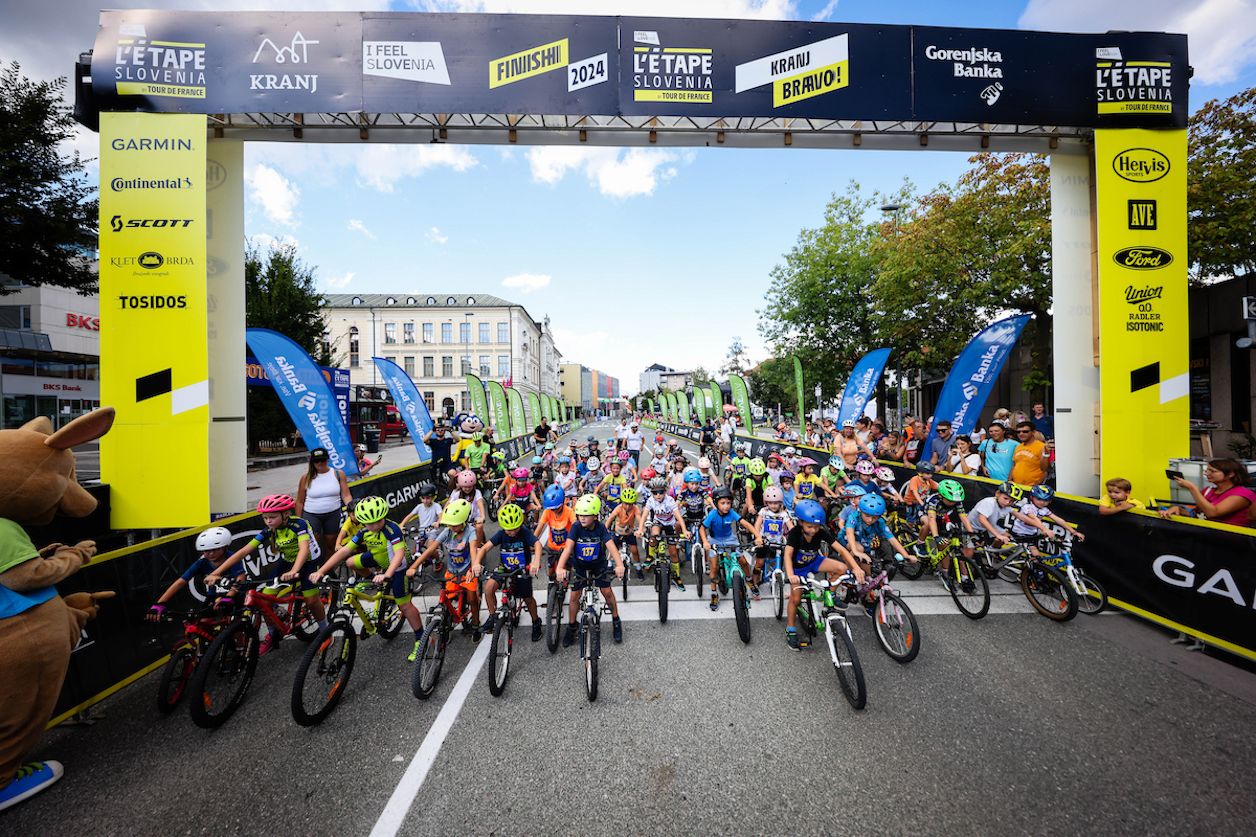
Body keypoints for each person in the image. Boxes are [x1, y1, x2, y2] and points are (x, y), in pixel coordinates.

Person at [205, 495, 327, 654]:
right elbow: (244, 551)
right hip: (288, 562)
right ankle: (272, 634)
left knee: (311, 600)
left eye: (272, 517)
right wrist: (216, 572)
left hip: (309, 561)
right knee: (265, 600)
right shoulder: (269, 530)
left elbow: (304, 549)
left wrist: (294, 571)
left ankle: (325, 631)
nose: (268, 521)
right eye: (265, 518)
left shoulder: (299, 525)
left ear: (286, 514)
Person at [309, 496, 425, 659]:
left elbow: (399, 554)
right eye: (369, 523)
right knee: (350, 562)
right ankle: (371, 578)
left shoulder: (392, 529)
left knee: (404, 605)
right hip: (378, 558)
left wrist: (387, 574)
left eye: (379, 521)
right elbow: (343, 551)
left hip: (398, 567)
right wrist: (321, 571)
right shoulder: (364, 531)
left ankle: (420, 638)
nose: (375, 525)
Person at [783, 499, 858, 650]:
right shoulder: (795, 533)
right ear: (800, 522)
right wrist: (791, 575)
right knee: (796, 600)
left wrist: (856, 567)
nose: (814, 530)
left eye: (816, 526)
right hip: (797, 569)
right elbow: (787, 555)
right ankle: (790, 629)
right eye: (810, 526)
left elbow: (842, 550)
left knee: (842, 568)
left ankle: (829, 594)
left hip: (814, 561)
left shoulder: (821, 532)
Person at [556, 495, 626, 646]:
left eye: (586, 515)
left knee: (607, 592)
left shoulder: (600, 528)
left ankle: (616, 620)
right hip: (580, 564)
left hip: (598, 563)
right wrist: (560, 567)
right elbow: (568, 548)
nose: (582, 518)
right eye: (580, 514)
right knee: (574, 596)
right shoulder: (576, 527)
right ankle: (572, 626)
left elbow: (611, 546)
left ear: (595, 516)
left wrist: (619, 564)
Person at [408, 498, 482, 637]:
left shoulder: (470, 532)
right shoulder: (447, 532)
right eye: (450, 524)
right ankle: (446, 623)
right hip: (452, 572)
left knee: (472, 599)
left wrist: (475, 566)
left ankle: (476, 624)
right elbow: (430, 550)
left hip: (468, 571)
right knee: (445, 599)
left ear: (465, 521)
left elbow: (473, 548)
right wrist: (414, 566)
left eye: (456, 524)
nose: (452, 527)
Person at [474, 504, 542, 642]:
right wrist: (476, 562)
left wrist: (535, 562)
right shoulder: (501, 534)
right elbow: (484, 548)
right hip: (504, 567)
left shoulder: (524, 532)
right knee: (488, 588)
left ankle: (536, 622)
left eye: (515, 528)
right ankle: (492, 616)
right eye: (508, 529)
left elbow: (538, 544)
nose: (511, 532)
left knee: (528, 598)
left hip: (521, 569)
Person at [146, 527, 242, 621]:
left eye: (216, 549)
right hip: (215, 594)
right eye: (207, 550)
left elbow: (241, 578)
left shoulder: (233, 558)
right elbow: (180, 582)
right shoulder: (201, 563)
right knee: (203, 622)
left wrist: (229, 596)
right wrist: (160, 603)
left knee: (233, 620)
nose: (211, 553)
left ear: (226, 547)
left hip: (236, 593)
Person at [843, 493, 916, 613]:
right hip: (848, 545)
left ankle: (866, 597)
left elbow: (892, 539)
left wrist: (906, 555)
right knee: (859, 550)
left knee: (868, 577)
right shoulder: (853, 517)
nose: (871, 520)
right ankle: (848, 574)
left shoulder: (880, 522)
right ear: (860, 510)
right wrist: (856, 551)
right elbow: (850, 533)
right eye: (867, 516)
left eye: (875, 517)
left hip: (864, 548)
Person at [700, 487, 758, 609]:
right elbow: (702, 528)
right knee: (714, 566)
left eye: (728, 503)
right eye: (722, 503)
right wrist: (705, 541)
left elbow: (745, 523)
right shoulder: (712, 514)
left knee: (742, 561)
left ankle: (749, 580)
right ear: (716, 504)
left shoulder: (731, 512)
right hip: (714, 540)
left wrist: (758, 536)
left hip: (729, 539)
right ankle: (714, 593)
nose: (726, 506)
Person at [295, 446, 352, 564]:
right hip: (311, 515)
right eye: (316, 461)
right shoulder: (306, 478)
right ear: (312, 462)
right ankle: (313, 570)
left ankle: (328, 570)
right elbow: (300, 501)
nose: (320, 463)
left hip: (333, 514)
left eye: (322, 460)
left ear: (327, 460)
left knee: (330, 544)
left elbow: (346, 495)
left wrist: (352, 509)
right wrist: (298, 521)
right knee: (313, 545)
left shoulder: (338, 474)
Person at [1160, 459, 1256, 526]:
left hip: (1230, 543)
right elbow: (1200, 513)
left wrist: (1192, 488)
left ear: (1230, 474)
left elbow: (1212, 513)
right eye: (1207, 470)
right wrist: (1179, 510)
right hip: (1205, 539)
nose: (1206, 474)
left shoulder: (1243, 494)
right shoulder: (1208, 490)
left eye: (1212, 471)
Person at [920, 480, 976, 588]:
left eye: (954, 501)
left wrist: (972, 535)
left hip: (940, 518)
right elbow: (932, 519)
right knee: (927, 523)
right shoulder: (934, 500)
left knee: (944, 546)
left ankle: (945, 573)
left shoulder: (956, 501)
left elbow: (964, 518)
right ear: (941, 495)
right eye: (949, 501)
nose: (952, 503)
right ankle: (920, 543)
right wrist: (936, 536)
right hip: (926, 516)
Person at [638, 475, 689, 592]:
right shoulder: (651, 500)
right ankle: (650, 556)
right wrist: (640, 529)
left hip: (670, 524)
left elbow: (678, 516)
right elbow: (644, 515)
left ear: (665, 491)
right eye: (655, 493)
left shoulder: (670, 500)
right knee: (654, 535)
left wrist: (685, 530)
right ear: (651, 492)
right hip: (659, 522)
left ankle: (676, 576)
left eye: (661, 492)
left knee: (673, 554)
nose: (658, 495)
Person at [1011, 485, 1086, 554]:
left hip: (1031, 535)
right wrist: (1045, 529)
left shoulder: (1045, 510)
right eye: (1038, 499)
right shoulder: (1027, 507)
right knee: (1035, 558)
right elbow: (1034, 518)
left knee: (1033, 560)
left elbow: (1058, 519)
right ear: (1032, 497)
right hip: (1019, 534)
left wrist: (1073, 532)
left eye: (1045, 500)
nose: (1041, 502)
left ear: (1050, 501)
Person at [605, 486, 645, 578]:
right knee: (614, 548)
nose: (627, 506)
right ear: (622, 502)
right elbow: (611, 518)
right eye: (625, 503)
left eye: (630, 504)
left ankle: (638, 568)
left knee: (635, 551)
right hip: (618, 532)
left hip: (630, 533)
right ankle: (609, 565)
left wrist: (641, 529)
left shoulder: (635, 509)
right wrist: (606, 528)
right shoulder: (619, 508)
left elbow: (639, 518)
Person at [1010, 421, 1052, 486]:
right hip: (1016, 486)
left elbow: (1044, 470)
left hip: (1032, 487)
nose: (1021, 434)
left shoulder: (1041, 447)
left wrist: (1036, 486)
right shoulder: (1018, 447)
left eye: (1025, 431)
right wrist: (1009, 481)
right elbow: (1014, 465)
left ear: (1033, 432)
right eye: (1018, 432)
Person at [423, 422, 459, 493]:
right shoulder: (433, 441)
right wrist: (432, 430)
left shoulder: (447, 440)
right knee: (436, 481)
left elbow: (457, 439)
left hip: (447, 464)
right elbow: (425, 440)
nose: (440, 431)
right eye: (438, 429)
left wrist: (450, 430)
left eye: (442, 429)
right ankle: (438, 495)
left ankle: (450, 491)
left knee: (453, 474)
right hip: (436, 464)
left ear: (444, 431)